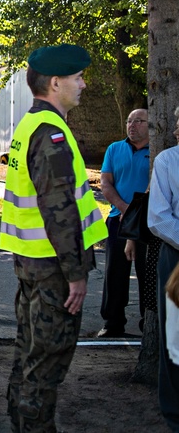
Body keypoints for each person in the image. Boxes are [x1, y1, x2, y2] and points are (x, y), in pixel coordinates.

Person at [0, 44, 108, 433]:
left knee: (29, 355)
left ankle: (20, 422)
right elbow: (59, 210)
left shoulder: (30, 124)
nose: (83, 84)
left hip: (33, 263)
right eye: (78, 78)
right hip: (54, 269)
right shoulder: (51, 133)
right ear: (56, 82)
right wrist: (76, 274)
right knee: (46, 364)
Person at [98, 108, 151, 337]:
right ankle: (112, 323)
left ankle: (147, 324)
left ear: (150, 125)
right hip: (117, 219)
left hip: (149, 223)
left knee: (147, 273)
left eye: (139, 121)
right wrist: (124, 208)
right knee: (115, 272)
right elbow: (106, 183)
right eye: (130, 120)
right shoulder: (114, 149)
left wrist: (135, 213)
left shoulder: (157, 152)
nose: (132, 125)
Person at [147, 105, 179, 431]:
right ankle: (174, 412)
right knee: (174, 334)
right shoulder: (167, 161)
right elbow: (157, 217)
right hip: (175, 258)